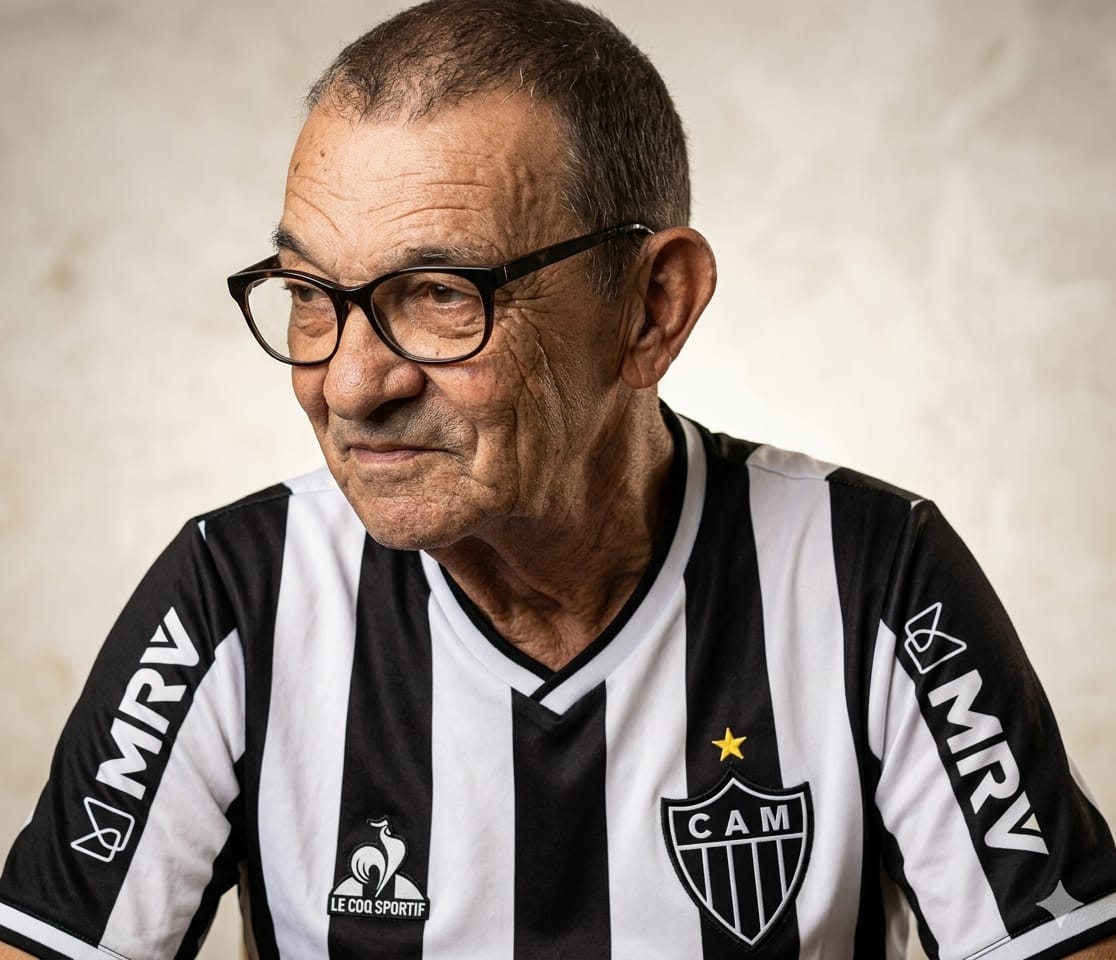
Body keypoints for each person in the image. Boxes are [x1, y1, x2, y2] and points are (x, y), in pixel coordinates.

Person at [1, 0, 1114, 957]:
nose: (348, 384)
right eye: (308, 292)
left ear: (653, 309)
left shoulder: (873, 576)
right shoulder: (234, 594)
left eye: (440, 293)